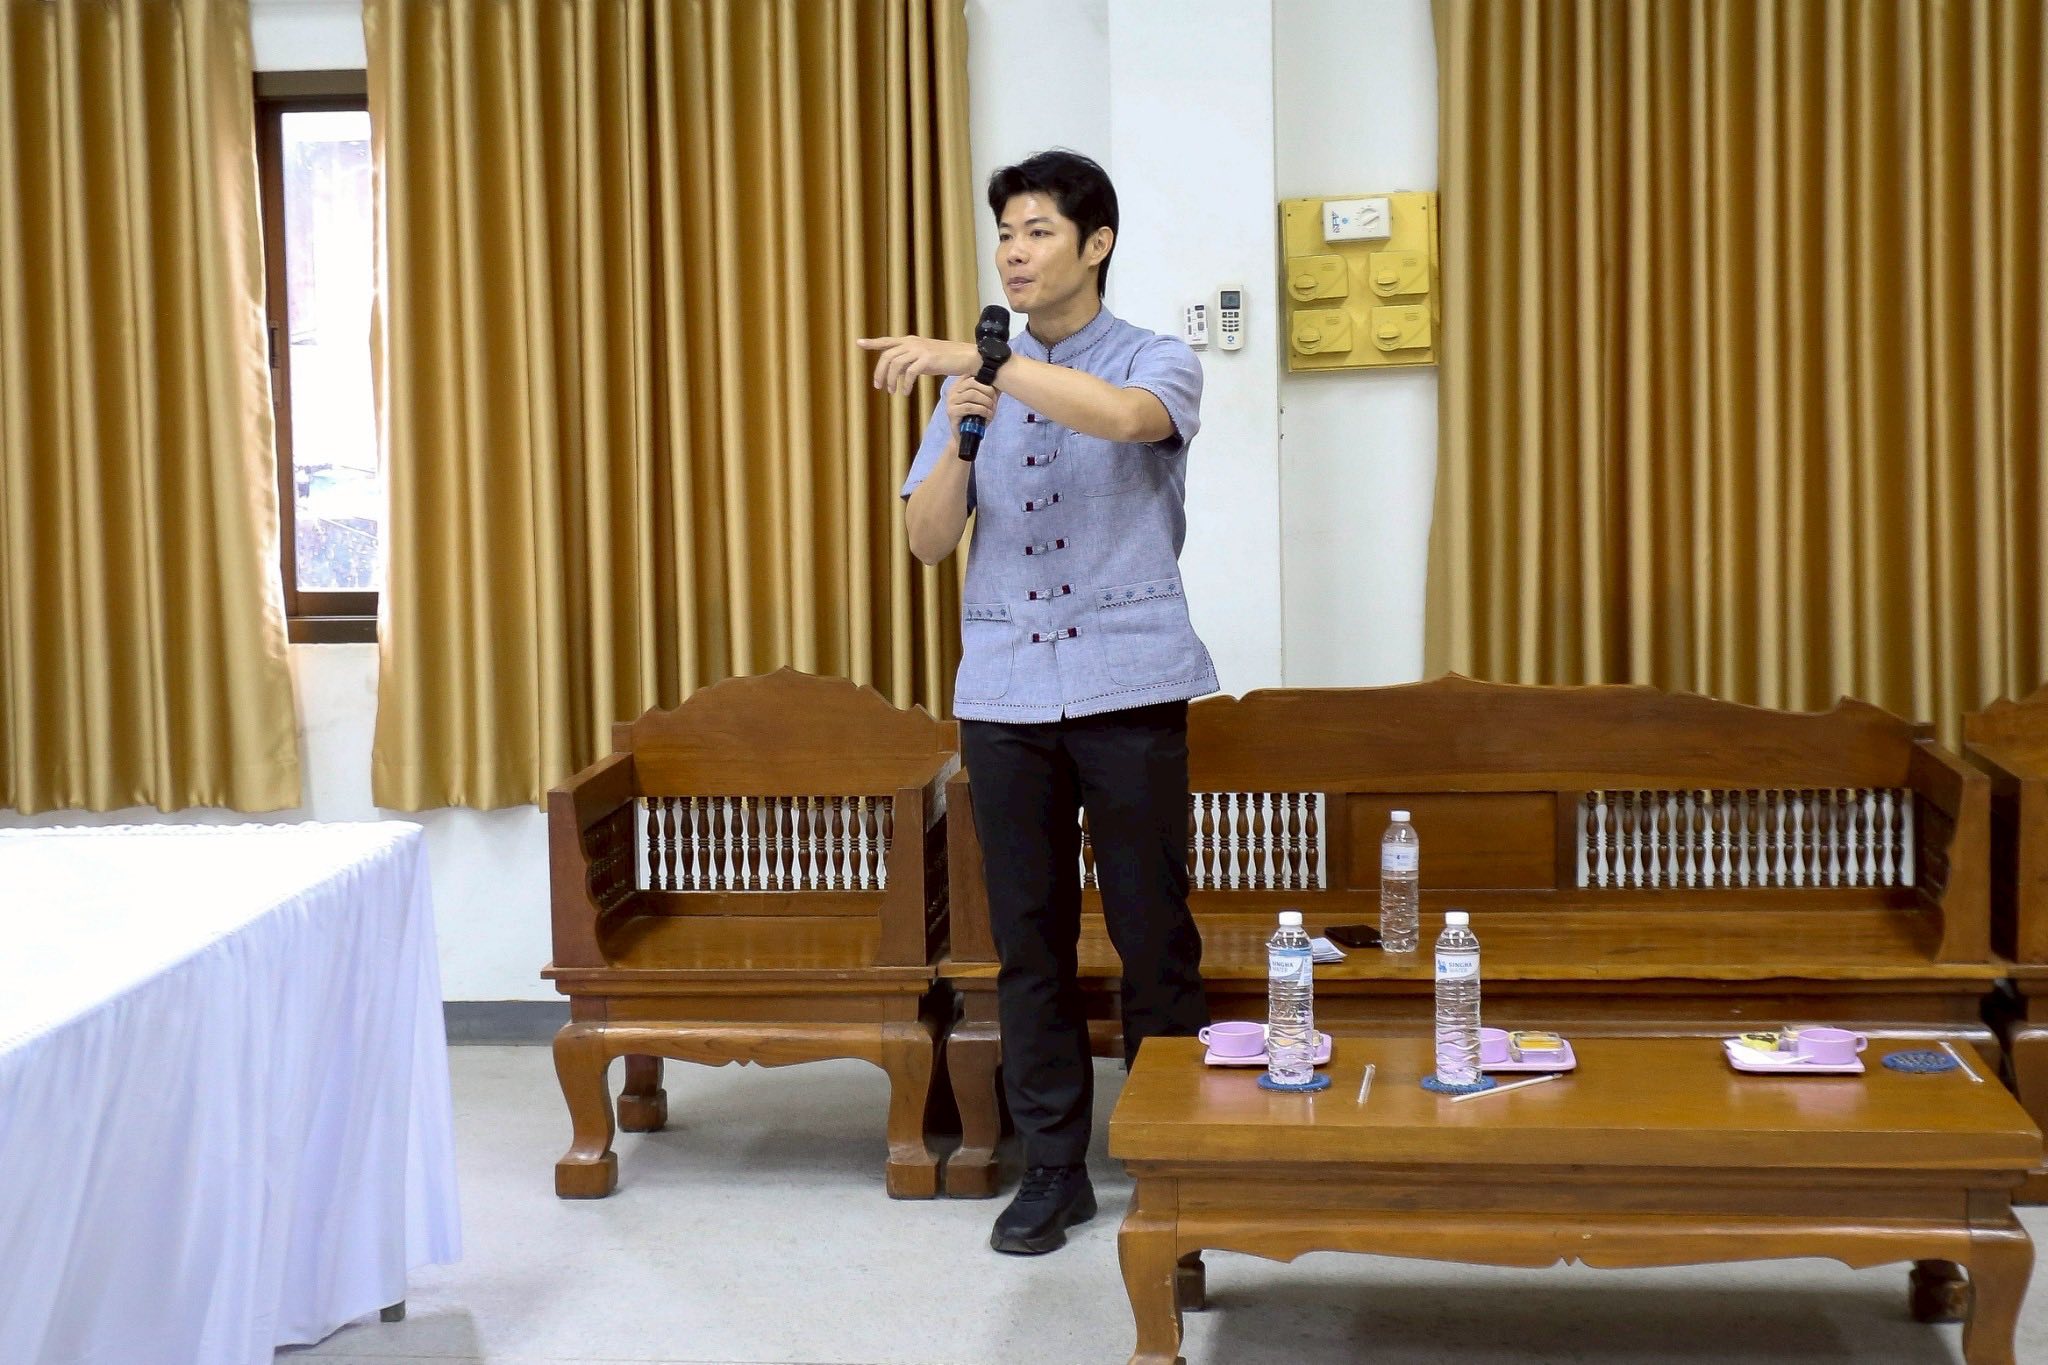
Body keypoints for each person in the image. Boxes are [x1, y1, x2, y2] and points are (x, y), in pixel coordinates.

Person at [857, 149, 1217, 1255]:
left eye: (1038, 231)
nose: (1013, 252)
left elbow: (1126, 420)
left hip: (1130, 682)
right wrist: (961, 435)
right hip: (1006, 693)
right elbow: (926, 542)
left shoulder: (1155, 357)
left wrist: (992, 363)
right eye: (1005, 234)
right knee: (1028, 939)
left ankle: (1171, 1162)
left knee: (1153, 935)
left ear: (1095, 244)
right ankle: (1054, 1168)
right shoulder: (974, 386)